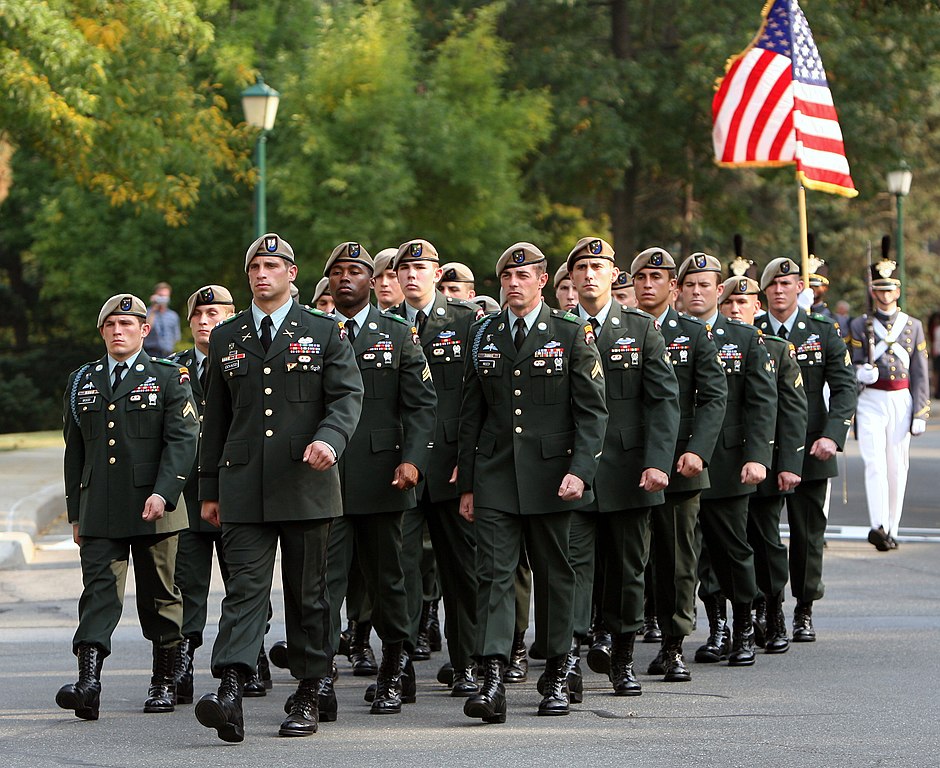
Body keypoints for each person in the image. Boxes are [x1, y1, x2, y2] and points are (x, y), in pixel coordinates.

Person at [194, 232, 363, 742]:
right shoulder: (227, 337)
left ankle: (311, 687)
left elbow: (347, 396)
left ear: (292, 273)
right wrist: (209, 488)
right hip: (243, 484)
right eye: (254, 267)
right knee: (244, 592)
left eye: (272, 265)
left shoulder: (324, 330)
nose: (262, 274)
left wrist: (330, 441)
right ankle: (230, 688)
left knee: (309, 594)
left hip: (307, 483)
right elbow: (215, 421)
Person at [458, 241, 608, 722]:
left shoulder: (569, 331)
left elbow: (592, 412)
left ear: (542, 281)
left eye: (523, 277)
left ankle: (560, 670)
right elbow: (471, 412)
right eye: (506, 277)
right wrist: (468, 483)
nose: (514, 284)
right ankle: (494, 676)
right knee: (495, 577)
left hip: (554, 474)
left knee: (555, 575)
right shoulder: (483, 333)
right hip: (497, 473)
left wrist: (580, 471)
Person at [58, 294, 199, 721]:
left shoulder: (169, 376)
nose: (118, 331)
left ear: (145, 330)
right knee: (98, 595)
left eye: (128, 324)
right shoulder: (82, 380)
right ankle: (88, 683)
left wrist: (165, 492)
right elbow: (74, 450)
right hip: (100, 507)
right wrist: (76, 513)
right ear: (101, 331)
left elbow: (183, 439)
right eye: (110, 325)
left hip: (154, 505)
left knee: (159, 596)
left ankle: (163, 680)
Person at [321, 241, 437, 715]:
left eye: (356, 271)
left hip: (384, 477)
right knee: (321, 584)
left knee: (390, 579)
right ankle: (319, 678)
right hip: (324, 481)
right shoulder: (315, 332)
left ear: (373, 281)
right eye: (338, 272)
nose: (346, 278)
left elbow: (421, 403)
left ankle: (395, 667)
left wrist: (413, 460)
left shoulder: (397, 331)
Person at [566, 237, 679, 697]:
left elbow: (664, 402)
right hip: (571, 472)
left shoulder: (641, 328)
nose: (590, 275)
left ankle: (623, 656)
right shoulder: (557, 328)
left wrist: (657, 463)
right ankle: (567, 658)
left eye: (599, 266)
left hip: (631, 471)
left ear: (615, 275)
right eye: (581, 268)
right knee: (570, 570)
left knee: (630, 570)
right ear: (570, 278)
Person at [168, 286, 273, 702]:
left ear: (232, 319)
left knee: (244, 581)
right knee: (187, 583)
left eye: (216, 313)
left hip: (238, 490)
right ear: (190, 321)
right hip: (190, 494)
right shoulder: (171, 370)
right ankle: (183, 663)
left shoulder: (248, 360)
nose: (206, 321)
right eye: (199, 314)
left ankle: (253, 655)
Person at [389, 239, 483, 697]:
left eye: (419, 267)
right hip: (399, 467)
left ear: (437, 272)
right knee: (400, 571)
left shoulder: (467, 323)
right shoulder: (385, 325)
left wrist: (469, 466)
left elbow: (479, 402)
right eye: (403, 268)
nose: (410, 275)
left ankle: (466, 662)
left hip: (450, 467)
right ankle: (400, 664)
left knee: (461, 571)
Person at [631, 247, 727, 678]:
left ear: (673, 286)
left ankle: (672, 644)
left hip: (679, 465)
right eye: (641, 278)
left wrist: (698, 451)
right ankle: (611, 637)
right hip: (628, 463)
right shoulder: (619, 331)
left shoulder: (693, 333)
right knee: (627, 557)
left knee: (675, 560)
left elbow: (712, 397)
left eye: (657, 277)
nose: (647, 285)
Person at [678, 253, 776, 667]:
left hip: (729, 460)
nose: (697, 292)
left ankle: (743, 629)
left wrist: (757, 456)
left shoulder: (744, 338)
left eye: (705, 285)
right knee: (696, 552)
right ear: (679, 291)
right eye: (690, 285)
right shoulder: (670, 335)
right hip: (683, 461)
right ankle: (716, 625)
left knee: (733, 548)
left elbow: (761, 402)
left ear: (719, 291)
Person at [756, 257, 856, 642]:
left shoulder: (822, 330)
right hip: (765, 449)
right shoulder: (754, 330)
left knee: (807, 535)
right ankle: (768, 603)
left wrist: (833, 435)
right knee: (762, 534)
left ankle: (804, 608)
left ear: (800, 287)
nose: (779, 291)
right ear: (764, 292)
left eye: (787, 284)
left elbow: (845, 386)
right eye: (772, 286)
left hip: (812, 448)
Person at [718, 269, 807, 654]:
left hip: (764, 463)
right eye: (729, 303)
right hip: (725, 463)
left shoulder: (776, 349)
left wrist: (788, 463)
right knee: (725, 545)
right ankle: (733, 617)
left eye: (743, 303)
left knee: (765, 540)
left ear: (758, 306)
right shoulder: (715, 345)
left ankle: (773, 608)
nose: (735, 310)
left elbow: (792, 411)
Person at [847, 257, 929, 551]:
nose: (884, 295)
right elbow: (851, 366)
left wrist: (921, 411)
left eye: (889, 289)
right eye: (879, 289)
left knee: (897, 465)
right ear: (872, 291)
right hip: (870, 399)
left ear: (897, 290)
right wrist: (860, 374)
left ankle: (893, 526)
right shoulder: (859, 324)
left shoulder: (913, 326)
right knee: (874, 462)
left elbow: (919, 371)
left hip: (900, 399)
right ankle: (877, 525)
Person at [143, 282, 182, 358]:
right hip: (150, 352)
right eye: (160, 296)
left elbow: (177, 337)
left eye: (165, 297)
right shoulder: (147, 313)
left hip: (168, 354)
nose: (163, 299)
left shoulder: (173, 316)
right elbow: (144, 330)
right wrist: (153, 309)